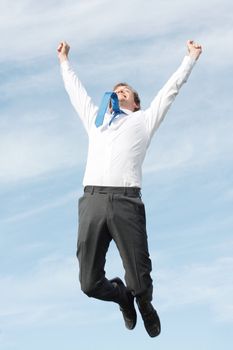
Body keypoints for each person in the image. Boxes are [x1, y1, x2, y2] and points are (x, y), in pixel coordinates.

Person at [57, 39, 202, 337]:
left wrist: (190, 58)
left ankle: (144, 304)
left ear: (136, 102)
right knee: (88, 283)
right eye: (117, 88)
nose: (120, 90)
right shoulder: (97, 121)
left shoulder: (143, 121)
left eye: (127, 90)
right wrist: (64, 61)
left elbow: (170, 91)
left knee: (139, 279)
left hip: (126, 201)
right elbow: (76, 92)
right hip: (93, 200)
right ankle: (122, 297)